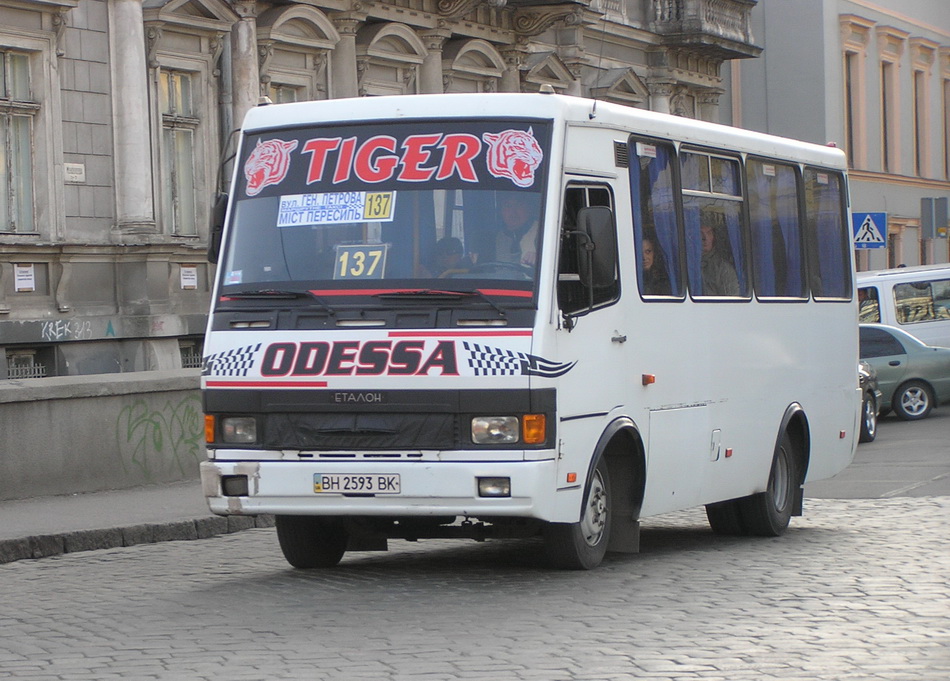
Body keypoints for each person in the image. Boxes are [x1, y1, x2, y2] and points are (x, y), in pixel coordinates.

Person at [494, 194, 538, 267]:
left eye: (519, 205)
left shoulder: (544, 232)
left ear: (529, 208)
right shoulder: (495, 239)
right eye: (508, 206)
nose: (513, 212)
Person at [700, 222, 739, 296]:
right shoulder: (686, 265)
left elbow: (732, 301)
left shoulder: (722, 268)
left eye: (709, 233)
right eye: (700, 233)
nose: (705, 238)